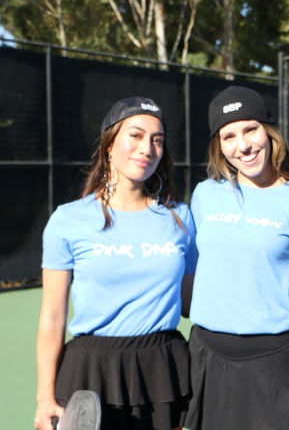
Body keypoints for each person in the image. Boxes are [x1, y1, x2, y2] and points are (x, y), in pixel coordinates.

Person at [34, 97, 197, 430]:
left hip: (163, 367)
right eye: (135, 135)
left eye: (157, 140)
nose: (147, 148)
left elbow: (192, 302)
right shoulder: (68, 220)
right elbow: (52, 317)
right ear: (109, 144)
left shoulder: (180, 218)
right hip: (90, 369)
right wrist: (44, 396)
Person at [184, 86, 289, 430]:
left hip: (273, 363)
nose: (243, 145)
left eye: (250, 129)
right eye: (229, 136)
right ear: (219, 146)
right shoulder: (204, 195)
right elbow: (190, 272)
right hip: (205, 359)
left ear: (269, 132)